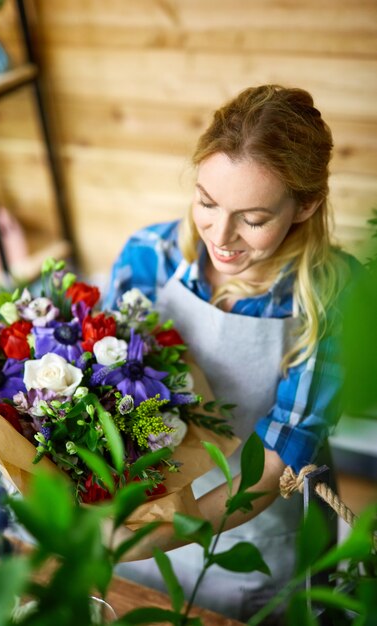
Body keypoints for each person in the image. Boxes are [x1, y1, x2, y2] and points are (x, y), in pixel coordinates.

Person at [102, 85, 362, 624]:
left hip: (251, 532)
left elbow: (272, 464)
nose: (221, 237)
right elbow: (99, 387)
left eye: (254, 218)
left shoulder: (328, 296)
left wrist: (161, 533)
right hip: (135, 513)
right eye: (206, 202)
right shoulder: (150, 256)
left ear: (306, 205)